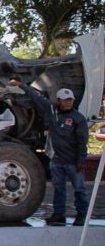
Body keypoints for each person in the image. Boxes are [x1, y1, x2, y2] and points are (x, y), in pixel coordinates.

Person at [9, 79, 89, 225]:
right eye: (65, 100)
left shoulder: (79, 119)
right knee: (59, 188)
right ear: (58, 100)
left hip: (73, 161)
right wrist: (20, 85)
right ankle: (59, 214)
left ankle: (82, 215)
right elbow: (36, 96)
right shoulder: (52, 110)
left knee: (79, 189)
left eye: (70, 100)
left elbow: (82, 142)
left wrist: (81, 161)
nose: (68, 103)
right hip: (57, 160)